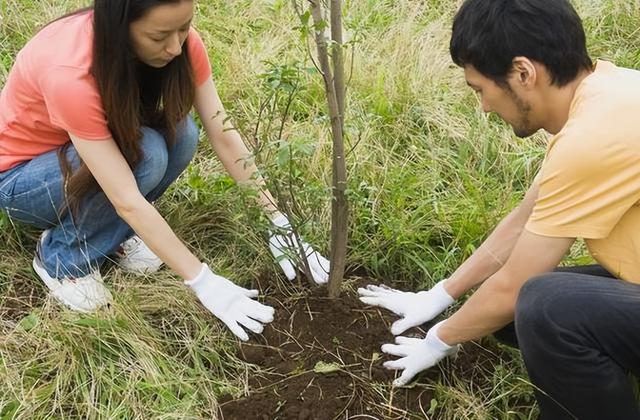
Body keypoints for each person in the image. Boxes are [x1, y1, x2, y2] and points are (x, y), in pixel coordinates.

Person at [359, 0, 640, 418]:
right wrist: (440, 295)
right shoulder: (604, 96)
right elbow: (526, 217)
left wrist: (438, 340)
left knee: (545, 308)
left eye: (480, 89)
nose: (485, 107)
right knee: (508, 316)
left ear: (523, 73)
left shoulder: (593, 139)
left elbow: (514, 284)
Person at [0, 0, 330, 342]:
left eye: (184, 27)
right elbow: (126, 198)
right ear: (121, 27)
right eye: (159, 36)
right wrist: (202, 280)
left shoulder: (182, 45)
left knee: (182, 133)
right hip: (20, 180)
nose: (175, 47)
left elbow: (223, 133)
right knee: (147, 155)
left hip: (80, 156)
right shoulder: (69, 74)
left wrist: (277, 222)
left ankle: (108, 235)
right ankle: (63, 258)